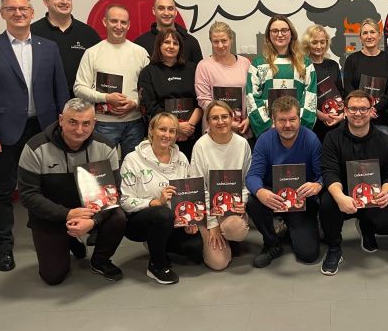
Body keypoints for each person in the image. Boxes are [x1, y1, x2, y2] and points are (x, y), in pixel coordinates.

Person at [0, 0, 69, 271]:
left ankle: (59, 238)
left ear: (32, 12)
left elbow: (60, 89)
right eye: (11, 9)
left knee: (52, 186)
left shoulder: (48, 47)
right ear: (2, 13)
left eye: (23, 8)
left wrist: (64, 125)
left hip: (44, 128)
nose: (18, 13)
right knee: (4, 191)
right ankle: (4, 248)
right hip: (5, 132)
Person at [17, 98, 126, 284]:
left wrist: (93, 220)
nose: (79, 130)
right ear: (61, 120)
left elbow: (114, 192)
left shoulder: (106, 148)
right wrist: (67, 214)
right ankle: (69, 240)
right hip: (50, 214)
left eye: (86, 123)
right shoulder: (35, 148)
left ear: (94, 123)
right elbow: (28, 195)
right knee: (53, 276)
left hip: (89, 212)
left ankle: (100, 260)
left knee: (118, 217)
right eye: (73, 122)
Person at [120, 113, 218, 284]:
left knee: (194, 248)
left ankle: (157, 243)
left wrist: (190, 219)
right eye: (162, 129)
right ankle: (157, 265)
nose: (167, 135)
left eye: (172, 131)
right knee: (162, 214)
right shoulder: (132, 160)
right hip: (140, 220)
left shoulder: (181, 158)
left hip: (175, 220)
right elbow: (125, 201)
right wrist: (156, 202)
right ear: (151, 130)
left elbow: (190, 193)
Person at [319, 90, 388, 275]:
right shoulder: (332, 138)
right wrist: (340, 197)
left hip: (373, 196)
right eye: (353, 109)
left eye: (363, 109)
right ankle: (334, 248)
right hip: (344, 197)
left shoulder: (384, 140)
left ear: (371, 111)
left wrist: (386, 193)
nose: (358, 113)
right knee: (327, 202)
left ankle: (367, 226)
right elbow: (329, 173)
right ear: (345, 111)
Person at [245, 96, 323, 268]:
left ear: (299, 119)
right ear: (273, 121)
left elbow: (322, 174)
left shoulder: (311, 140)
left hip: (301, 199)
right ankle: (272, 244)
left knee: (308, 255)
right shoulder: (264, 140)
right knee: (253, 200)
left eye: (292, 119)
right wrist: (260, 192)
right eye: (282, 120)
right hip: (273, 197)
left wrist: (318, 184)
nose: (288, 125)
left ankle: (291, 228)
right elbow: (252, 176)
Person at [74, 4, 150, 159]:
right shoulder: (92, 53)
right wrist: (106, 98)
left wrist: (135, 103)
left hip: (134, 123)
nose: (119, 26)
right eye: (114, 21)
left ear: (129, 25)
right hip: (103, 124)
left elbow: (150, 89)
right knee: (102, 168)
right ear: (105, 22)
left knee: (133, 168)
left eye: (123, 22)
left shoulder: (141, 53)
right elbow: (79, 88)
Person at [189, 100, 252, 271]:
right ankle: (214, 239)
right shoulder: (200, 146)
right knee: (218, 263)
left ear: (232, 118)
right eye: (214, 118)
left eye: (224, 116)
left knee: (235, 229)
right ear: (208, 122)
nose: (220, 121)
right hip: (206, 209)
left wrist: (243, 201)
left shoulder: (242, 144)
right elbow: (198, 188)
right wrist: (212, 224)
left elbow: (248, 180)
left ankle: (228, 237)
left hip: (231, 208)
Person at [246, 15, 318, 137]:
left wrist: (297, 125)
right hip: (269, 131)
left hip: (297, 131)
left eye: (284, 30)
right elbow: (252, 97)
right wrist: (269, 125)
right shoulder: (258, 64)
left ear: (291, 33)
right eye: (275, 31)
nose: (280, 34)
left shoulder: (305, 63)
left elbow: (310, 97)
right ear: (268, 35)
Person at [138, 27, 202, 158]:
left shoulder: (193, 69)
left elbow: (200, 101)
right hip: (162, 134)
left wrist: (189, 126)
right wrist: (176, 127)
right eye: (166, 42)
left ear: (180, 47)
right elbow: (149, 106)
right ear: (159, 45)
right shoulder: (148, 72)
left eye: (175, 43)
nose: (171, 46)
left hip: (191, 132)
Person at [30, 0, 100, 96]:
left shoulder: (88, 33)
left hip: (81, 101)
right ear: (45, 2)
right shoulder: (32, 32)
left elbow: (100, 69)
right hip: (44, 101)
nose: (64, 2)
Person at [194, 21, 252, 136]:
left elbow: (252, 95)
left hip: (242, 128)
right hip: (215, 129)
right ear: (211, 42)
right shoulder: (204, 66)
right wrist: (227, 121)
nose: (220, 45)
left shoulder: (245, 63)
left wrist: (250, 119)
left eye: (224, 40)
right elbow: (204, 100)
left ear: (231, 40)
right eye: (216, 41)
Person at [342, 18, 388, 137]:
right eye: (365, 33)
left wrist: (375, 109)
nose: (369, 36)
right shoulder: (352, 60)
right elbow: (348, 88)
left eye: (372, 32)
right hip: (357, 117)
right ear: (360, 37)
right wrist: (363, 110)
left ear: (379, 35)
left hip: (381, 118)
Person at [303, 24, 344, 143]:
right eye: (314, 42)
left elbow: (340, 93)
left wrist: (340, 115)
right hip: (312, 123)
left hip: (335, 122)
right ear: (307, 43)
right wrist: (321, 116)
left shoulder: (333, 65)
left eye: (322, 42)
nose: (319, 46)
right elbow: (301, 97)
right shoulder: (302, 66)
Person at [134, 0, 203, 64]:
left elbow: (198, 70)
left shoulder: (191, 42)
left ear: (175, 12)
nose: (166, 13)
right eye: (161, 8)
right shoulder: (140, 43)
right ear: (154, 11)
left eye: (170, 9)